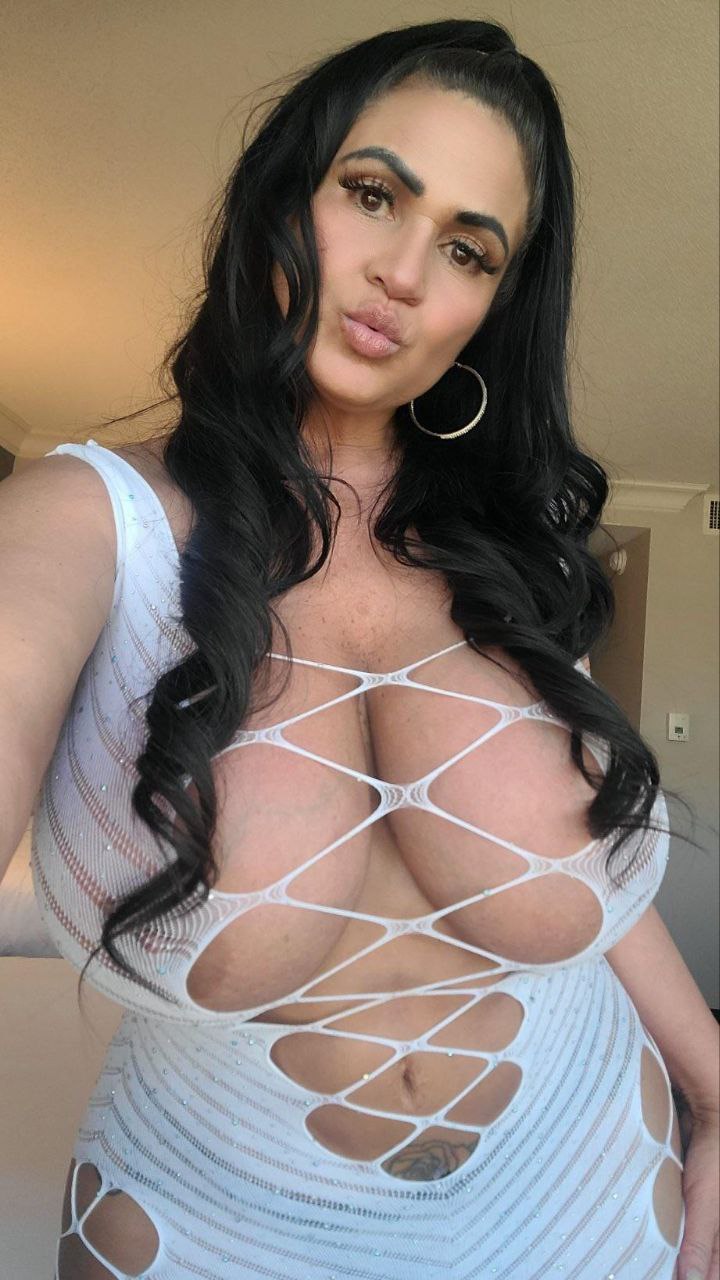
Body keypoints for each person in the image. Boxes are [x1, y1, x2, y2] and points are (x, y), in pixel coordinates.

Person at [1, 17, 717, 1280]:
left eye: (468, 248)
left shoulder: (517, 550)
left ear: (493, 307)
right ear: (283, 197)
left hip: (594, 1183)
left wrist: (715, 1089)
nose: (403, 272)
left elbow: (589, 871)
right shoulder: (85, 520)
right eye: (373, 193)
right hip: (217, 1224)